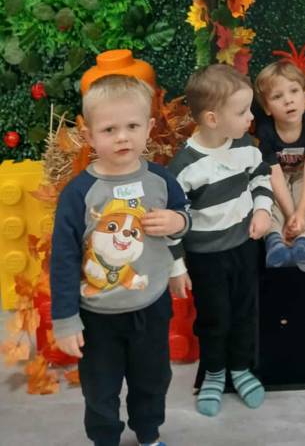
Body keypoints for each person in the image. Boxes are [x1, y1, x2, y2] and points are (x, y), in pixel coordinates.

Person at [50, 74, 190, 446]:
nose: (122, 137)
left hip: (150, 305)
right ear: (89, 135)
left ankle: (148, 433)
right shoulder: (79, 193)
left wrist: (177, 224)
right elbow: (63, 258)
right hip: (97, 316)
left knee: (153, 380)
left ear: (149, 127)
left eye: (132, 126)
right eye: (109, 129)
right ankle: (105, 439)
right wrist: (65, 320)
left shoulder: (161, 180)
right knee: (100, 390)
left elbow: (182, 219)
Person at [167, 64, 272, 416]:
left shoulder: (246, 146)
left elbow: (260, 177)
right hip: (207, 257)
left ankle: (240, 368)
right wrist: (177, 267)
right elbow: (172, 222)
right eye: (242, 112)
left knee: (244, 312)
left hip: (244, 247)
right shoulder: (185, 168)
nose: (251, 117)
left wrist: (262, 210)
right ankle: (213, 372)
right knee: (215, 318)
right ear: (212, 119)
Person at [254, 60, 305, 271]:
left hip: (303, 174)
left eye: (294, 91)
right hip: (277, 176)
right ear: (267, 108)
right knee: (269, 200)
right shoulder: (265, 130)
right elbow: (274, 175)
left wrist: (300, 214)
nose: (288, 100)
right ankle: (274, 241)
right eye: (277, 96)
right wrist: (290, 214)